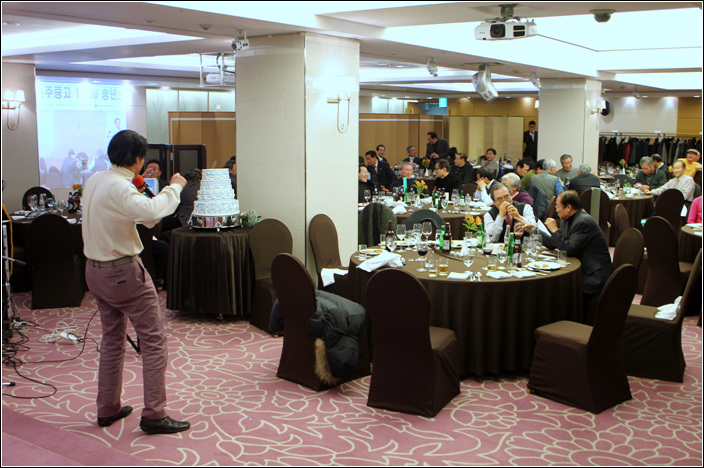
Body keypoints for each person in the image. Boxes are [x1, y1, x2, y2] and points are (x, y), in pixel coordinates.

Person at [82, 130, 190, 435]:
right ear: (139, 159)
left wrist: (141, 188)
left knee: (112, 339)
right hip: (122, 273)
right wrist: (175, 186)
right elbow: (154, 214)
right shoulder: (120, 187)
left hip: (95, 272)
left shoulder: (96, 179)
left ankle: (107, 407)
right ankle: (154, 414)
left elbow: (147, 219)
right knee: (153, 341)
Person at [540, 190, 613, 322]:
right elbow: (556, 243)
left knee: (559, 287)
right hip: (583, 267)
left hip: (594, 275)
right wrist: (533, 230)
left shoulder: (583, 222)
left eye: (558, 206)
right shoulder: (568, 219)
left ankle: (566, 322)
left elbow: (569, 249)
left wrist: (554, 230)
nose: (556, 210)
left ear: (568, 207)